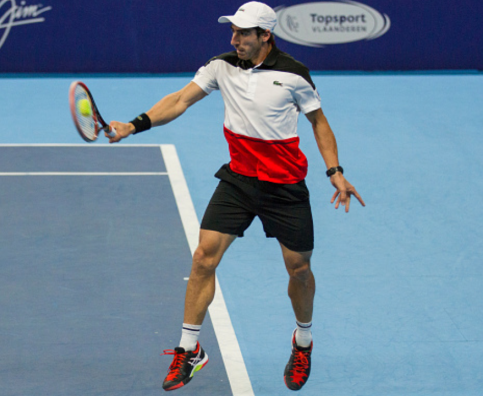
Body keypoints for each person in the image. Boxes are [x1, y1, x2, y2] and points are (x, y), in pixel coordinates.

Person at [107, 1, 365, 392]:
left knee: (299, 270)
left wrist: (335, 171)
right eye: (233, 32)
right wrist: (134, 124)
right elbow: (180, 100)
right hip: (240, 181)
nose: (235, 39)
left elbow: (318, 121)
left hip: (284, 187)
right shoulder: (220, 66)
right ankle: (190, 349)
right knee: (202, 256)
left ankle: (303, 341)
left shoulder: (294, 75)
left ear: (265, 35)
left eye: (243, 34)